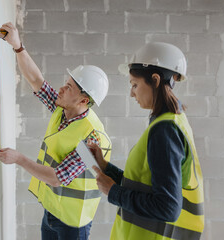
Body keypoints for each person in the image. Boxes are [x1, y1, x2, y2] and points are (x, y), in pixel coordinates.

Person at [0, 22, 112, 240]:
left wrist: (19, 158)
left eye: (69, 87)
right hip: (52, 211)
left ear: (83, 100)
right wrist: (18, 47)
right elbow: (36, 81)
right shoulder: (63, 109)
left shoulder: (91, 136)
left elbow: (59, 177)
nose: (61, 89)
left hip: (73, 223)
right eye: (65, 83)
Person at [87, 42, 204, 240]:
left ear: (155, 80)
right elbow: (145, 184)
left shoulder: (164, 130)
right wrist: (105, 167)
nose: (131, 93)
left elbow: (167, 208)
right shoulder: (172, 121)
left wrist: (113, 192)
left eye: (134, 84)